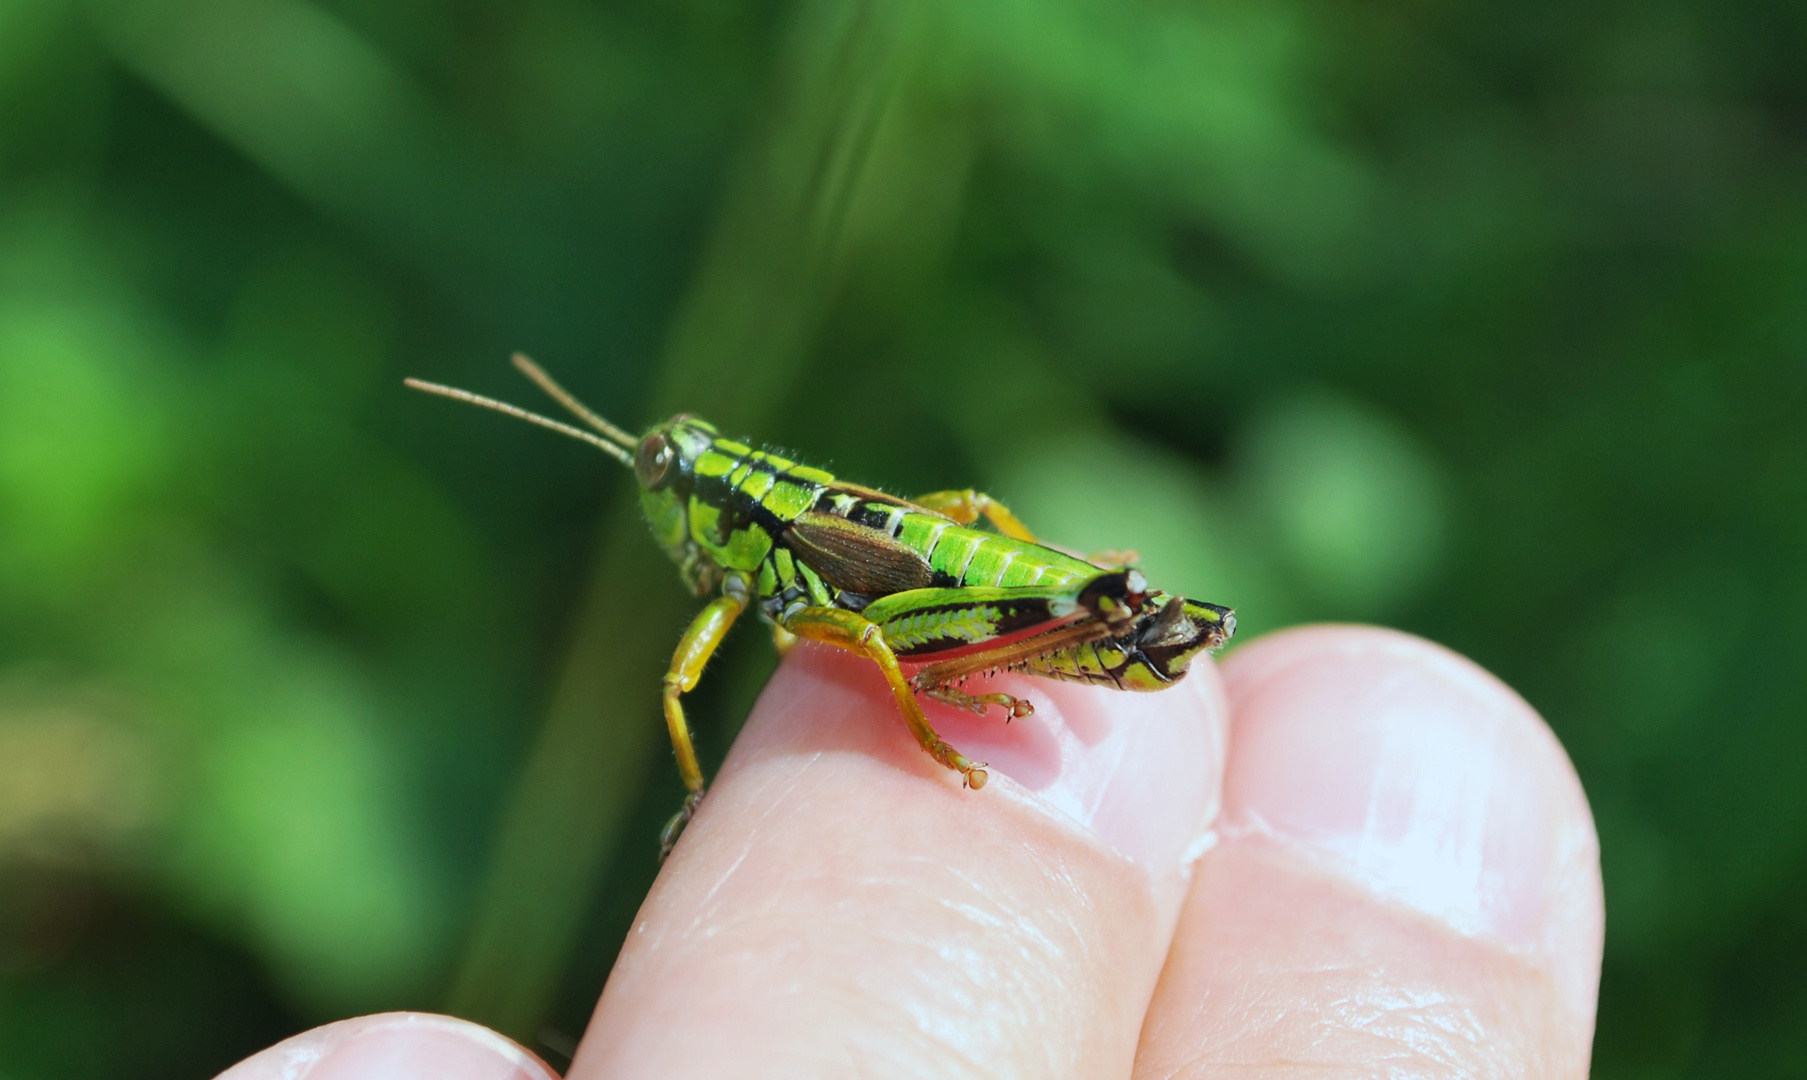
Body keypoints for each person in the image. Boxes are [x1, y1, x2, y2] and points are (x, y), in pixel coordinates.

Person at [217, 625, 1603, 1079]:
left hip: (941, 604)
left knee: (827, 652)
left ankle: (1101, 626)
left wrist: (949, 745)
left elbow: (857, 631)